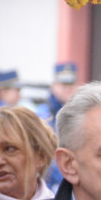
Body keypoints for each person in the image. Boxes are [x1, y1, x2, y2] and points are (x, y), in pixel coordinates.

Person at [36, 61, 80, 192]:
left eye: (71, 84)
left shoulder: (82, 114)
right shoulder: (43, 114)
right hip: (48, 185)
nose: (67, 89)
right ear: (53, 86)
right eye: (63, 84)